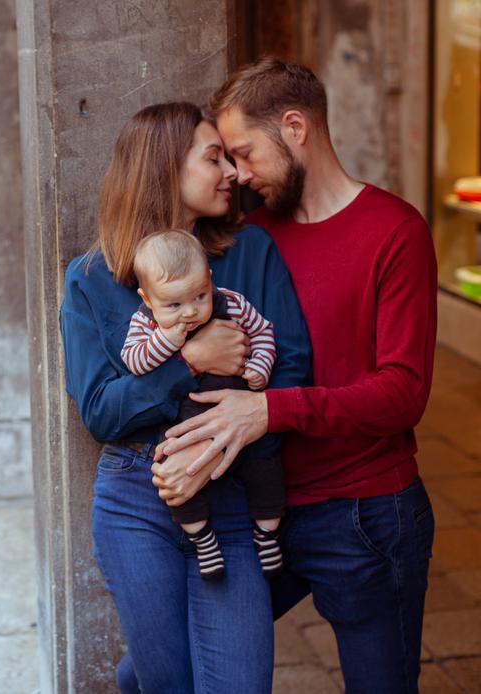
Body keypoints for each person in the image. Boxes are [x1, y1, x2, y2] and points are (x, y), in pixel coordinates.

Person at [152, 58, 437, 693]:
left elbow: (404, 393)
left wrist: (270, 411)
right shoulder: (247, 237)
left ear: (295, 126)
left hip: (365, 513)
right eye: (226, 158)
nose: (239, 174)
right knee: (153, 669)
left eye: (247, 153)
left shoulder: (396, 231)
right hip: (256, 511)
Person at [60, 101, 311, 693]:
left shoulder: (250, 253)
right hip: (136, 501)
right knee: (166, 681)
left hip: (231, 492)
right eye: (213, 157)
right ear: (165, 169)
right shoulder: (93, 277)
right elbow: (100, 412)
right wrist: (188, 362)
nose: (231, 172)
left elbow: (294, 367)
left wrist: (230, 427)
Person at [121, 229, 284, 581]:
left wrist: (259, 367)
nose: (190, 313)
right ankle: (203, 539)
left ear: (210, 278)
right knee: (177, 479)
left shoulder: (232, 303)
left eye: (199, 296)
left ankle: (267, 534)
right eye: (173, 305)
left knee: (266, 470)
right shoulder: (145, 324)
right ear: (147, 299)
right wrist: (173, 344)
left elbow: (264, 331)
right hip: (188, 425)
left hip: (239, 413)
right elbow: (133, 361)